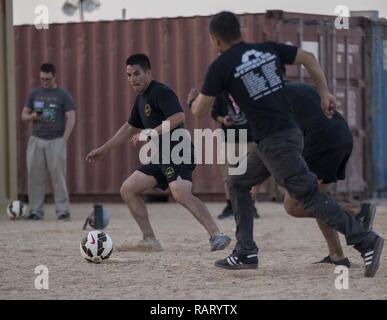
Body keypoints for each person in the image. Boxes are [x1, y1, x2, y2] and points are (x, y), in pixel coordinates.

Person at [189, 11, 383, 277]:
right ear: (239, 32)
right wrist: (324, 91)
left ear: (215, 39)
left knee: (309, 197)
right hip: (279, 138)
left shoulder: (221, 66)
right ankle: (245, 251)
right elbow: (308, 59)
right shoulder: (265, 50)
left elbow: (200, 111)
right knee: (238, 182)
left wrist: (194, 100)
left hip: (276, 141)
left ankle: (365, 240)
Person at [86, 53, 231, 253]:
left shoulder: (161, 92)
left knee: (180, 193)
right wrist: (103, 150)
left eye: (136, 74)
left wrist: (151, 132)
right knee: (128, 189)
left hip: (178, 151)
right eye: (128, 75)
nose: (132, 79)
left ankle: (216, 234)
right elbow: (128, 128)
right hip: (161, 155)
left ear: (148, 72)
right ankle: (149, 240)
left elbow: (178, 116)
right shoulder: (140, 100)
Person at [240, 79, 377, 268]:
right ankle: (337, 255)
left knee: (293, 205)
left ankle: (357, 211)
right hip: (342, 137)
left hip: (321, 141)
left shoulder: (269, 100)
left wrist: (252, 185)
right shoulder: (299, 87)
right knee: (319, 200)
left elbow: (267, 147)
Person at [21, 63, 76, 221]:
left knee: (58, 176)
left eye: (47, 79)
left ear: (54, 76)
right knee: (35, 176)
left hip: (56, 140)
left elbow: (71, 117)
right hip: (36, 140)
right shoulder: (34, 94)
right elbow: (23, 115)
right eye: (42, 79)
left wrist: (64, 139)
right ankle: (36, 211)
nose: (44, 82)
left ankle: (62, 210)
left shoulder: (63, 95)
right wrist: (32, 117)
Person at [206, 92, 259, 219]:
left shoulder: (249, 91)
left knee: (252, 173)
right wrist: (223, 120)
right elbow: (215, 114)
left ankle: (250, 205)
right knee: (228, 174)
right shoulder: (221, 95)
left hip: (249, 138)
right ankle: (231, 205)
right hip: (229, 138)